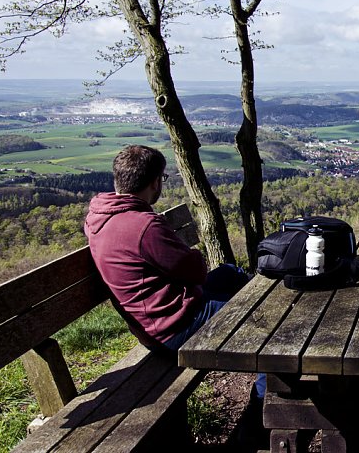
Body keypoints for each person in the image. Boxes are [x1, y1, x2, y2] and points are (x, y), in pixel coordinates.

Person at [84, 145, 249, 352]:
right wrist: (191, 253)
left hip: (152, 321)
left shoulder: (97, 217)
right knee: (257, 312)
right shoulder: (144, 226)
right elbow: (197, 272)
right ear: (155, 182)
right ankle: (261, 368)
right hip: (174, 327)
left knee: (231, 272)